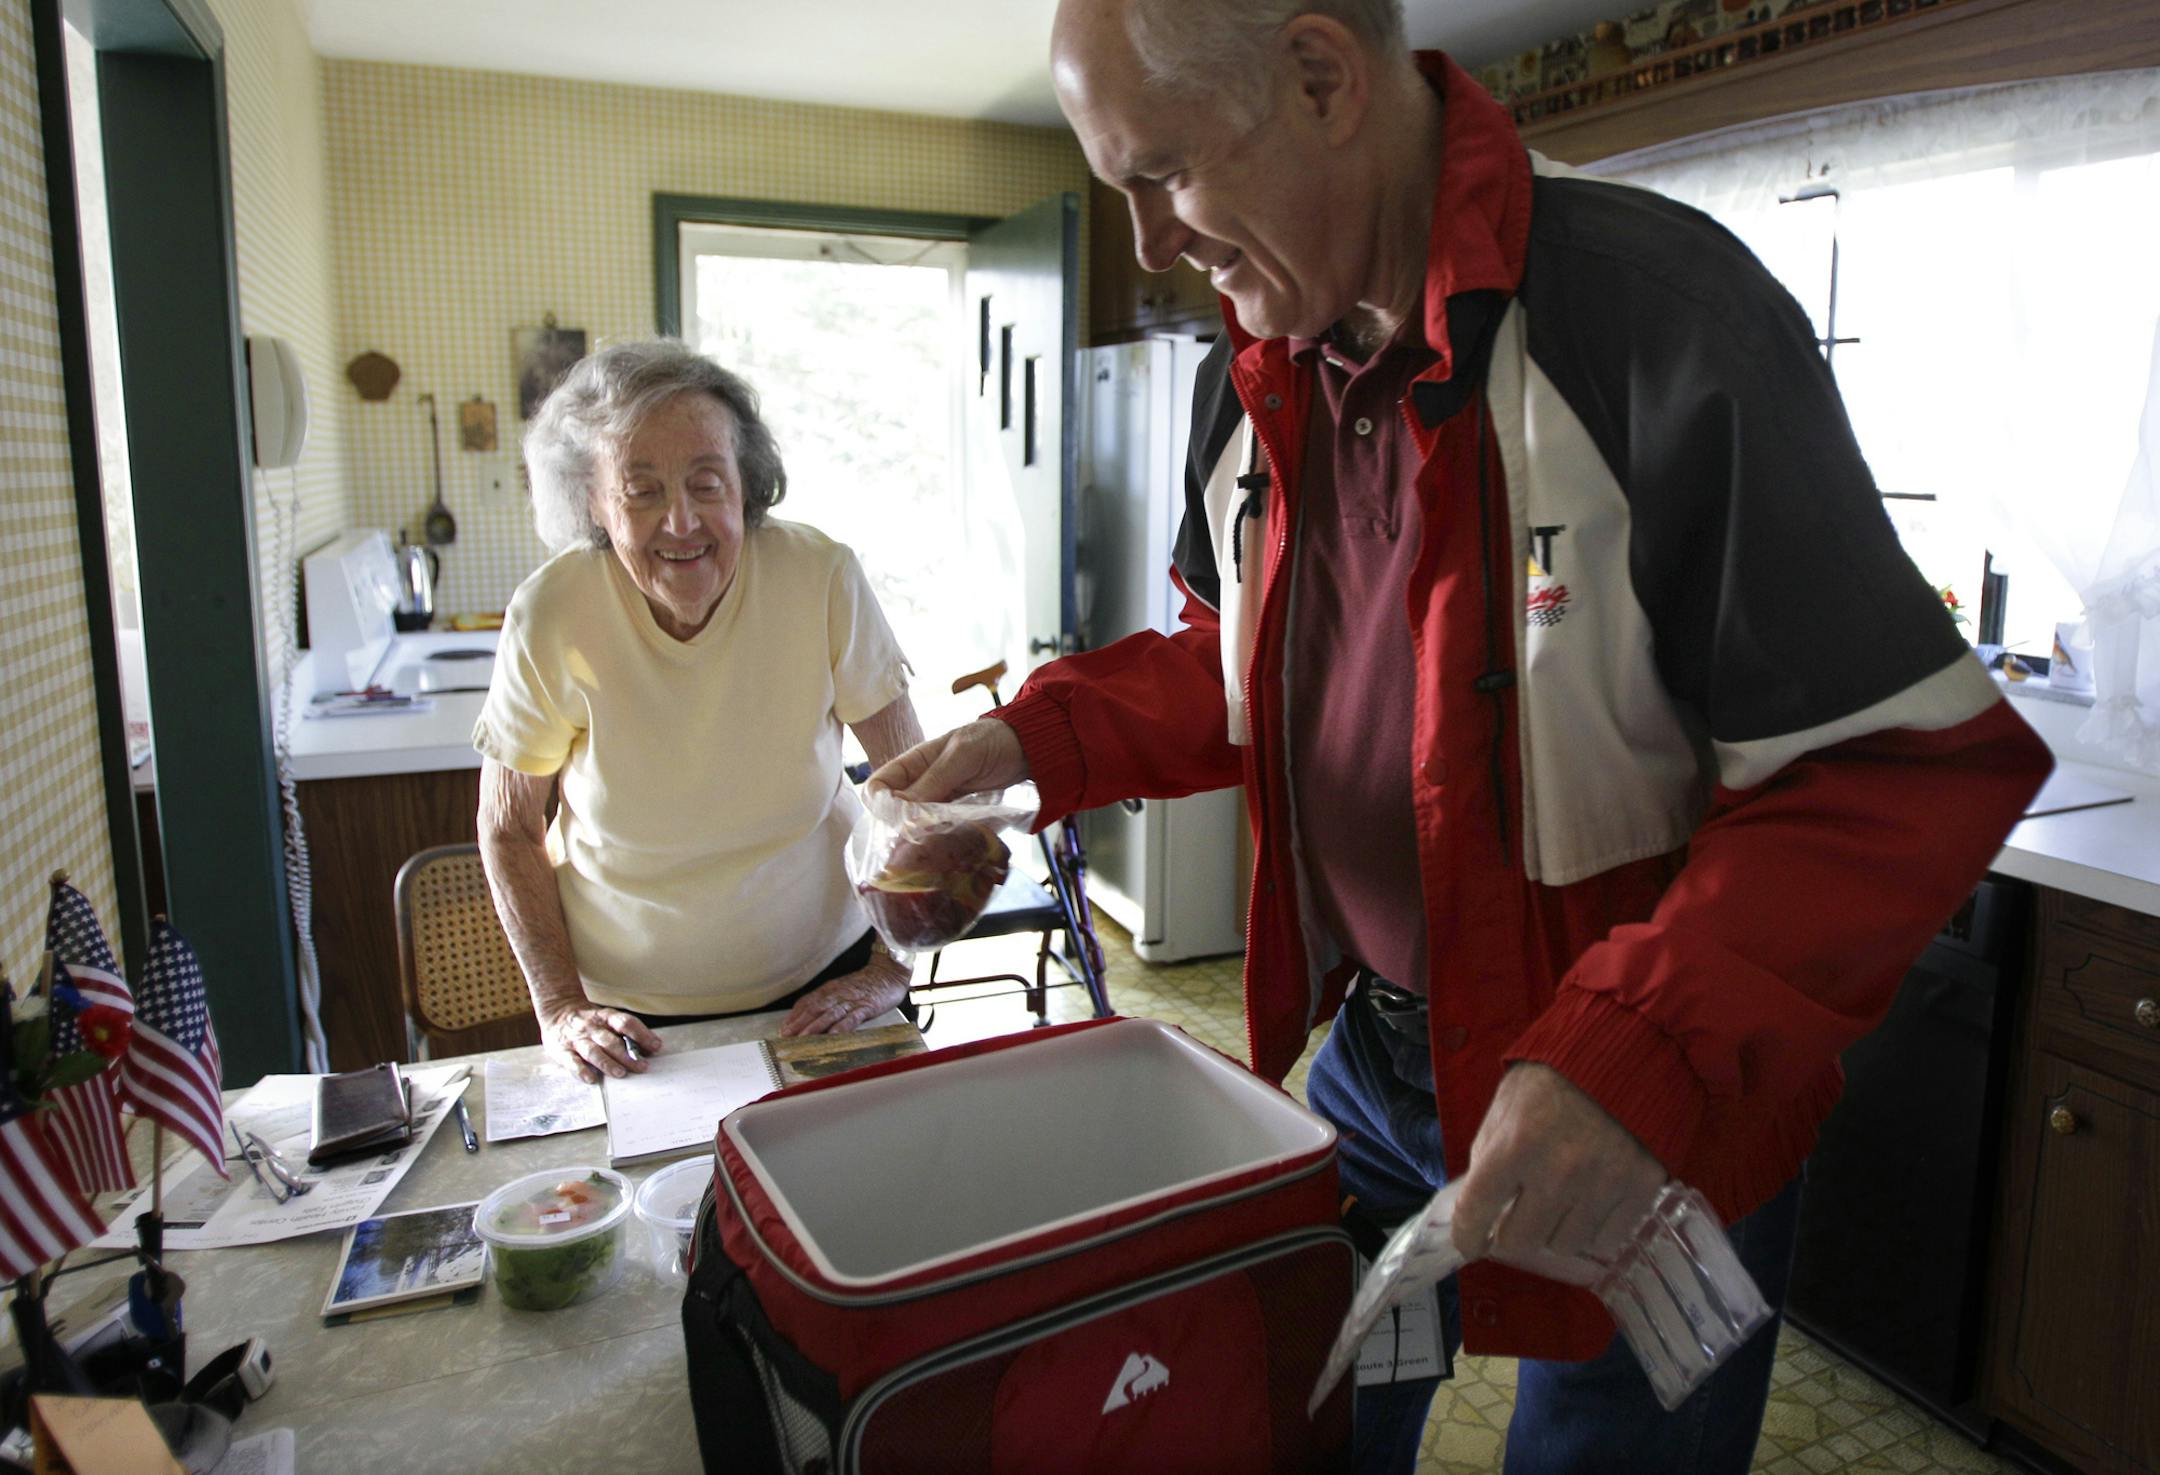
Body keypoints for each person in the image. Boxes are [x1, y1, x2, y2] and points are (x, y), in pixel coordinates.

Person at [873, 3, 2054, 1472]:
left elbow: (1893, 765)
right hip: (1375, 1071)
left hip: (1643, 1106)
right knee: (1304, 1423)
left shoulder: (1652, 318)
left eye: (1162, 173)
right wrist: (1026, 742)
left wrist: (1629, 1058)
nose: (1150, 243)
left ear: (1319, 77)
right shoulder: (1248, 373)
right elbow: (1239, 662)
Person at [475, 339, 923, 1085]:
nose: (680, 521)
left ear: (745, 485)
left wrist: (891, 963)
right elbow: (509, 825)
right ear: (593, 501)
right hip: (632, 1020)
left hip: (828, 981)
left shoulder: (819, 577)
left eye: (706, 482)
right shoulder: (553, 613)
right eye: (641, 490)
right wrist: (558, 1005)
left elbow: (913, 784)